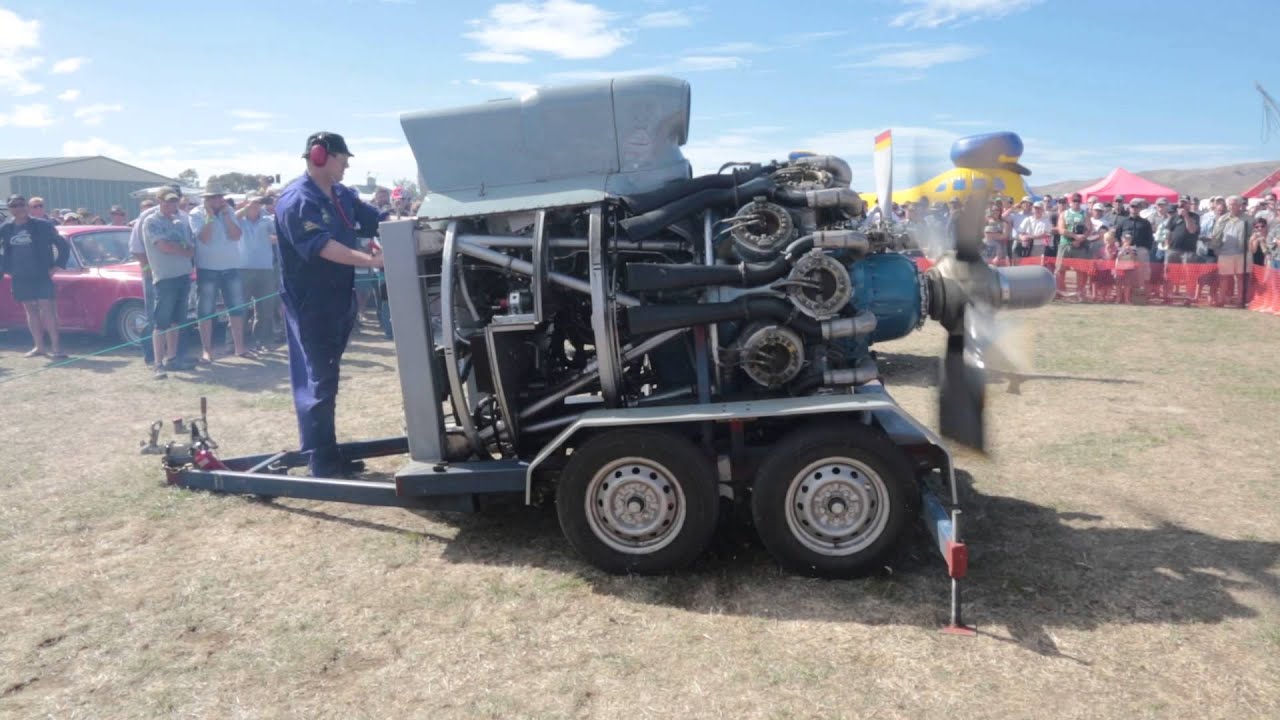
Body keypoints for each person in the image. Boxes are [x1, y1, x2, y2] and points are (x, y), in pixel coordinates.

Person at [275, 132, 384, 478]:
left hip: (339, 296)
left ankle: (327, 451)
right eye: (343, 158)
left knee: (329, 377)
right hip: (311, 303)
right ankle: (321, 461)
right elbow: (322, 247)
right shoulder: (296, 200)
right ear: (320, 156)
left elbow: (374, 219)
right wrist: (370, 262)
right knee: (318, 380)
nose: (348, 164)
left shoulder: (341, 193)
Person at [0, 194, 70, 358]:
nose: (18, 208)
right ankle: (39, 347)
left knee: (48, 310)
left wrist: (57, 265)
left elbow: (62, 244)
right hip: (19, 275)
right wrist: (5, 268)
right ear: (10, 209)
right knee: (30, 310)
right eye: (14, 205)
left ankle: (56, 348)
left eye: (21, 204)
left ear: (26, 206)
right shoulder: (6, 228)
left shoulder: (42, 225)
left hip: (41, 273)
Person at [189, 189, 249, 361]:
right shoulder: (196, 213)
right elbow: (205, 238)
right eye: (212, 198)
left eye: (219, 197)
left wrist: (226, 216)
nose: (217, 200)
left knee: (236, 308)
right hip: (208, 268)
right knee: (206, 310)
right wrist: (210, 216)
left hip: (231, 267)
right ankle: (207, 350)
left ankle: (239, 347)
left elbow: (236, 236)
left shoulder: (228, 211)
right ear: (205, 200)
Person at [141, 189, 196, 378]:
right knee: (160, 322)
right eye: (168, 202)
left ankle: (172, 359)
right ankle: (158, 363)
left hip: (183, 274)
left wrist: (181, 249)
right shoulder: (151, 221)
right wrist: (181, 249)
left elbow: (190, 248)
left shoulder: (180, 221)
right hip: (164, 277)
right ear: (159, 201)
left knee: (176, 321)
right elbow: (162, 246)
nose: (172, 205)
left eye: (174, 202)